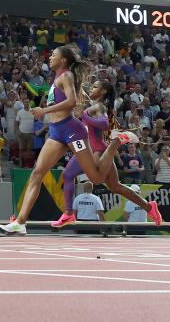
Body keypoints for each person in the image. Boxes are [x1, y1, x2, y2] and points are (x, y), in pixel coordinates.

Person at [0, 46, 133, 235]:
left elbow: (71, 102)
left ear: (63, 60)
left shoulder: (66, 76)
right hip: (56, 131)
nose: (50, 57)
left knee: (95, 178)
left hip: (72, 130)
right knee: (37, 173)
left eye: (54, 55)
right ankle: (20, 222)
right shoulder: (58, 78)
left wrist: (44, 111)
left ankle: (115, 143)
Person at [52, 80, 161, 228]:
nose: (92, 88)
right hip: (92, 149)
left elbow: (104, 124)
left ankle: (69, 213)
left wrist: (85, 116)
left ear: (103, 92)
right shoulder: (95, 106)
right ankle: (149, 207)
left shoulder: (100, 106)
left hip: (96, 150)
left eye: (95, 86)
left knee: (75, 176)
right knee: (115, 186)